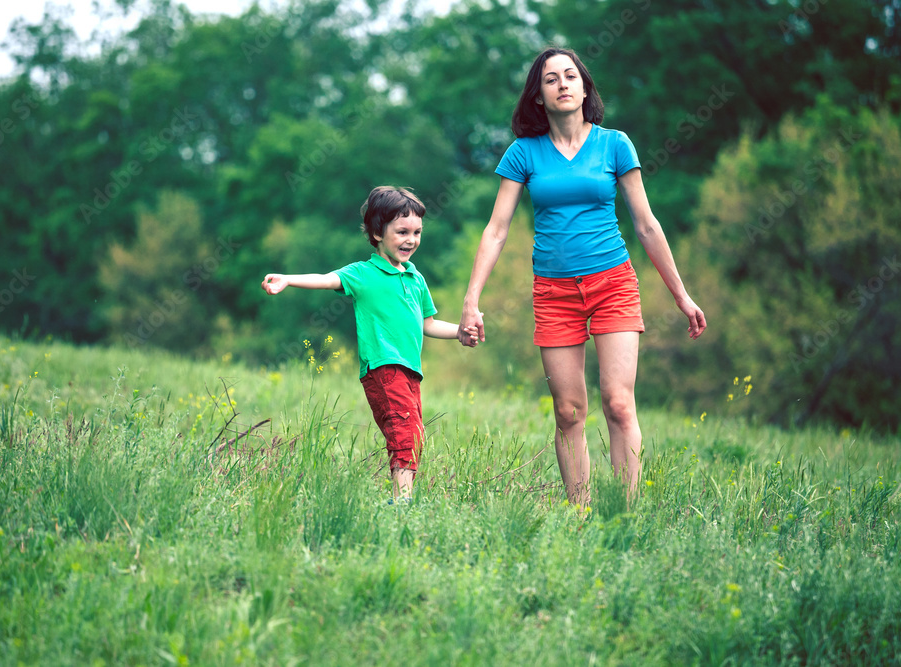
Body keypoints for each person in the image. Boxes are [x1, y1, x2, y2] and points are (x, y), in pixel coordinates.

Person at [457, 47, 706, 506]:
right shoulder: (523, 153)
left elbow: (646, 225)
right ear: (538, 96)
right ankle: (580, 516)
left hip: (613, 283)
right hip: (554, 293)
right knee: (569, 411)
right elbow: (496, 230)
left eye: (571, 76)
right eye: (551, 79)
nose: (563, 84)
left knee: (618, 403)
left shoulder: (615, 144)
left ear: (585, 87)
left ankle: (624, 515)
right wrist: (471, 301)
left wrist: (681, 295)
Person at [262, 186, 477, 500]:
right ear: (377, 233)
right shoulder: (363, 274)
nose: (411, 240)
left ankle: (402, 500)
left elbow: (428, 324)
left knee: (414, 436)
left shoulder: (415, 278)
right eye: (402, 232)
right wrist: (288, 279)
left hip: (411, 372)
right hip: (384, 368)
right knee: (405, 433)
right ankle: (403, 503)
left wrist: (460, 332)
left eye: (417, 232)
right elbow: (326, 279)